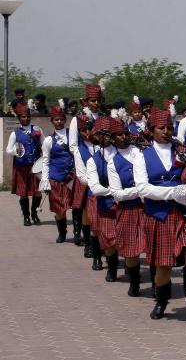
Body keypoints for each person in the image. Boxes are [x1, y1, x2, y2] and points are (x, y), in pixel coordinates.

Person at [133, 109, 186, 321]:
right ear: (151, 130)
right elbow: (143, 189)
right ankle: (161, 302)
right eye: (161, 128)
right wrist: (175, 191)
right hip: (159, 215)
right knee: (163, 266)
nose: (166, 131)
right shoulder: (141, 157)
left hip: (185, 213)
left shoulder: (183, 152)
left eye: (169, 127)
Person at [107, 119, 145, 296]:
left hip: (147, 206)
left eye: (125, 133)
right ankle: (135, 282)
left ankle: (155, 280)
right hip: (128, 209)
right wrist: (141, 189)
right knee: (131, 249)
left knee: (151, 244)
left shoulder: (141, 153)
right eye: (119, 135)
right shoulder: (112, 162)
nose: (123, 137)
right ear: (113, 138)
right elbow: (117, 194)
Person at [86, 117, 119, 282]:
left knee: (127, 237)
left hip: (126, 204)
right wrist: (115, 192)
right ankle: (112, 268)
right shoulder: (93, 160)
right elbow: (95, 187)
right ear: (96, 136)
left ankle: (131, 268)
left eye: (109, 133)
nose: (106, 137)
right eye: (101, 134)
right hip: (105, 204)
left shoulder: (124, 154)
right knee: (109, 238)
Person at [39, 104, 75, 243]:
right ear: (52, 121)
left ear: (65, 120)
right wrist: (45, 180)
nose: (59, 122)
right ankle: (62, 233)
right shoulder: (48, 140)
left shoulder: (72, 136)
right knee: (60, 210)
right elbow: (45, 161)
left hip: (72, 177)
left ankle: (77, 233)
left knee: (76, 207)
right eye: (56, 120)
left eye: (61, 119)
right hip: (56, 179)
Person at [5, 103, 43, 226]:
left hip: (36, 167)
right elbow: (8, 150)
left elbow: (44, 145)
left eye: (27, 116)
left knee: (37, 191)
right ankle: (26, 217)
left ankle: (35, 214)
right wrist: (15, 151)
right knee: (23, 192)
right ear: (19, 118)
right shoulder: (15, 133)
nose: (25, 119)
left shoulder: (37, 129)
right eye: (23, 117)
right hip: (21, 167)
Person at [71, 114, 98, 260]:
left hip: (103, 186)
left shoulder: (101, 146)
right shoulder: (78, 150)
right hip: (88, 184)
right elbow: (81, 176)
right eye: (83, 131)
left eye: (90, 129)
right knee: (87, 214)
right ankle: (88, 244)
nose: (88, 133)